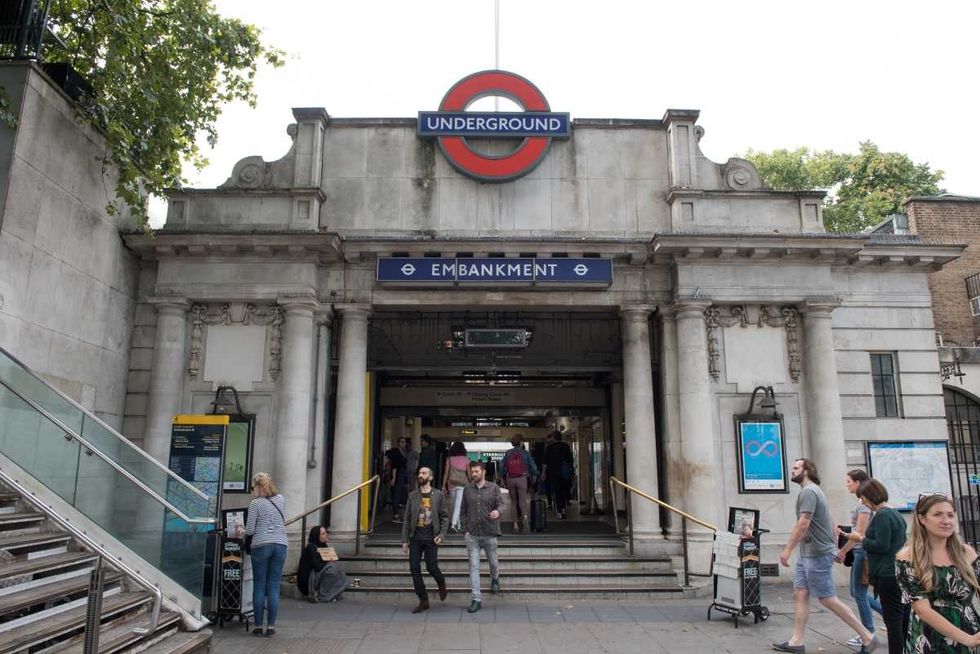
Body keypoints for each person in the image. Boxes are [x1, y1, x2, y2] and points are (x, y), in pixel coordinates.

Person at [773, 458, 880, 654]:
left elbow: (803, 523)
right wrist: (834, 543)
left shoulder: (809, 492)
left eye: (796, 468)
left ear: (807, 471)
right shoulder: (814, 491)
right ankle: (797, 641)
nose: (792, 471)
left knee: (827, 598)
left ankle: (867, 636)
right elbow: (829, 518)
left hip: (816, 554)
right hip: (808, 553)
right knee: (800, 593)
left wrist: (787, 550)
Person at [895, 493, 980, 654]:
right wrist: (966, 639)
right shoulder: (908, 558)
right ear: (922, 519)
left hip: (970, 632)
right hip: (930, 639)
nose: (946, 521)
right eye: (937, 514)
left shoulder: (966, 553)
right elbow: (922, 609)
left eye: (950, 515)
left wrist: (971, 639)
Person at [846, 479, 908, 654]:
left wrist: (862, 540)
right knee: (901, 618)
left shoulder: (882, 515)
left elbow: (882, 545)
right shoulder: (894, 513)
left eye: (863, 497)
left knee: (893, 621)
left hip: (887, 573)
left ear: (869, 496)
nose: (862, 501)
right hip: (896, 571)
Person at [836, 469, 882, 649]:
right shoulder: (861, 503)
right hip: (859, 551)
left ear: (858, 483)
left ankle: (868, 632)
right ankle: (892, 617)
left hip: (862, 552)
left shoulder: (863, 505)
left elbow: (859, 533)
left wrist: (842, 550)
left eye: (848, 481)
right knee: (857, 593)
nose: (846, 484)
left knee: (859, 594)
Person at [401, 466, 449, 613]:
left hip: (431, 538)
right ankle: (423, 600)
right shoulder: (413, 495)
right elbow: (407, 518)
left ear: (430, 477)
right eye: (420, 473)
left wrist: (441, 535)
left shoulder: (438, 495)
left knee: (431, 567)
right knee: (414, 569)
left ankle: (441, 583)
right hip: (415, 537)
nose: (420, 475)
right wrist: (404, 540)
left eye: (424, 473)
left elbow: (444, 517)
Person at [244, 472, 287, 637]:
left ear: (257, 486)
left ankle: (258, 625)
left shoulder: (255, 503)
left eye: (253, 487)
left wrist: (241, 530)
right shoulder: (281, 499)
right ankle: (271, 626)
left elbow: (250, 530)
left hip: (261, 545)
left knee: (260, 585)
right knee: (274, 585)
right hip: (280, 544)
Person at [459, 460, 502, 613]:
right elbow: (463, 510)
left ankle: (495, 578)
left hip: (490, 533)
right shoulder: (467, 489)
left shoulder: (494, 487)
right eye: (472, 471)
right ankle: (476, 599)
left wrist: (498, 512)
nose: (474, 474)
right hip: (473, 535)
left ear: (483, 472)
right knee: (474, 567)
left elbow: (501, 504)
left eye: (477, 471)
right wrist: (465, 529)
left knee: (493, 562)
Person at [297, 526, 348, 603]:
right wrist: (327, 560)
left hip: (316, 575)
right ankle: (323, 596)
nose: (327, 535)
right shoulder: (311, 548)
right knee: (331, 567)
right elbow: (317, 567)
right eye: (323, 534)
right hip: (308, 580)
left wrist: (329, 559)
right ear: (317, 536)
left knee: (337, 569)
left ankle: (329, 594)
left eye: (326, 532)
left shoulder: (324, 546)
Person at [500, 435, 538, 532]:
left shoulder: (508, 453)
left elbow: (502, 466)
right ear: (521, 442)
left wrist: (503, 478)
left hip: (511, 478)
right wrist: (535, 475)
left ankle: (515, 525)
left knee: (514, 502)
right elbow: (533, 467)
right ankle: (525, 519)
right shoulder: (525, 453)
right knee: (522, 501)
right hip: (522, 478)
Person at [542, 430, 574, 519]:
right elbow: (571, 460)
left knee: (556, 492)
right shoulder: (566, 446)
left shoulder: (549, 447)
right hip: (565, 472)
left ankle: (559, 511)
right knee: (564, 490)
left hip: (553, 473)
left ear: (554, 437)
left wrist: (543, 472)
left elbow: (545, 462)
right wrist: (571, 471)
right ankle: (563, 508)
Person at [442, 441, 470, 531]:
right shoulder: (466, 459)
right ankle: (454, 524)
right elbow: (469, 473)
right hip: (462, 484)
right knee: (457, 505)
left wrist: (443, 485)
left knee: (455, 505)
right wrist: (471, 482)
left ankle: (456, 525)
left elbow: (446, 473)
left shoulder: (449, 459)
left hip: (451, 483)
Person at [388, 437, 408, 523]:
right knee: (396, 494)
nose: (403, 444)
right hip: (398, 474)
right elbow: (394, 466)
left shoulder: (404, 452)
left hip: (402, 474)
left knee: (400, 494)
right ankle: (395, 515)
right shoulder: (396, 452)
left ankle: (398, 514)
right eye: (402, 442)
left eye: (404, 442)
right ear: (398, 443)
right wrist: (393, 477)